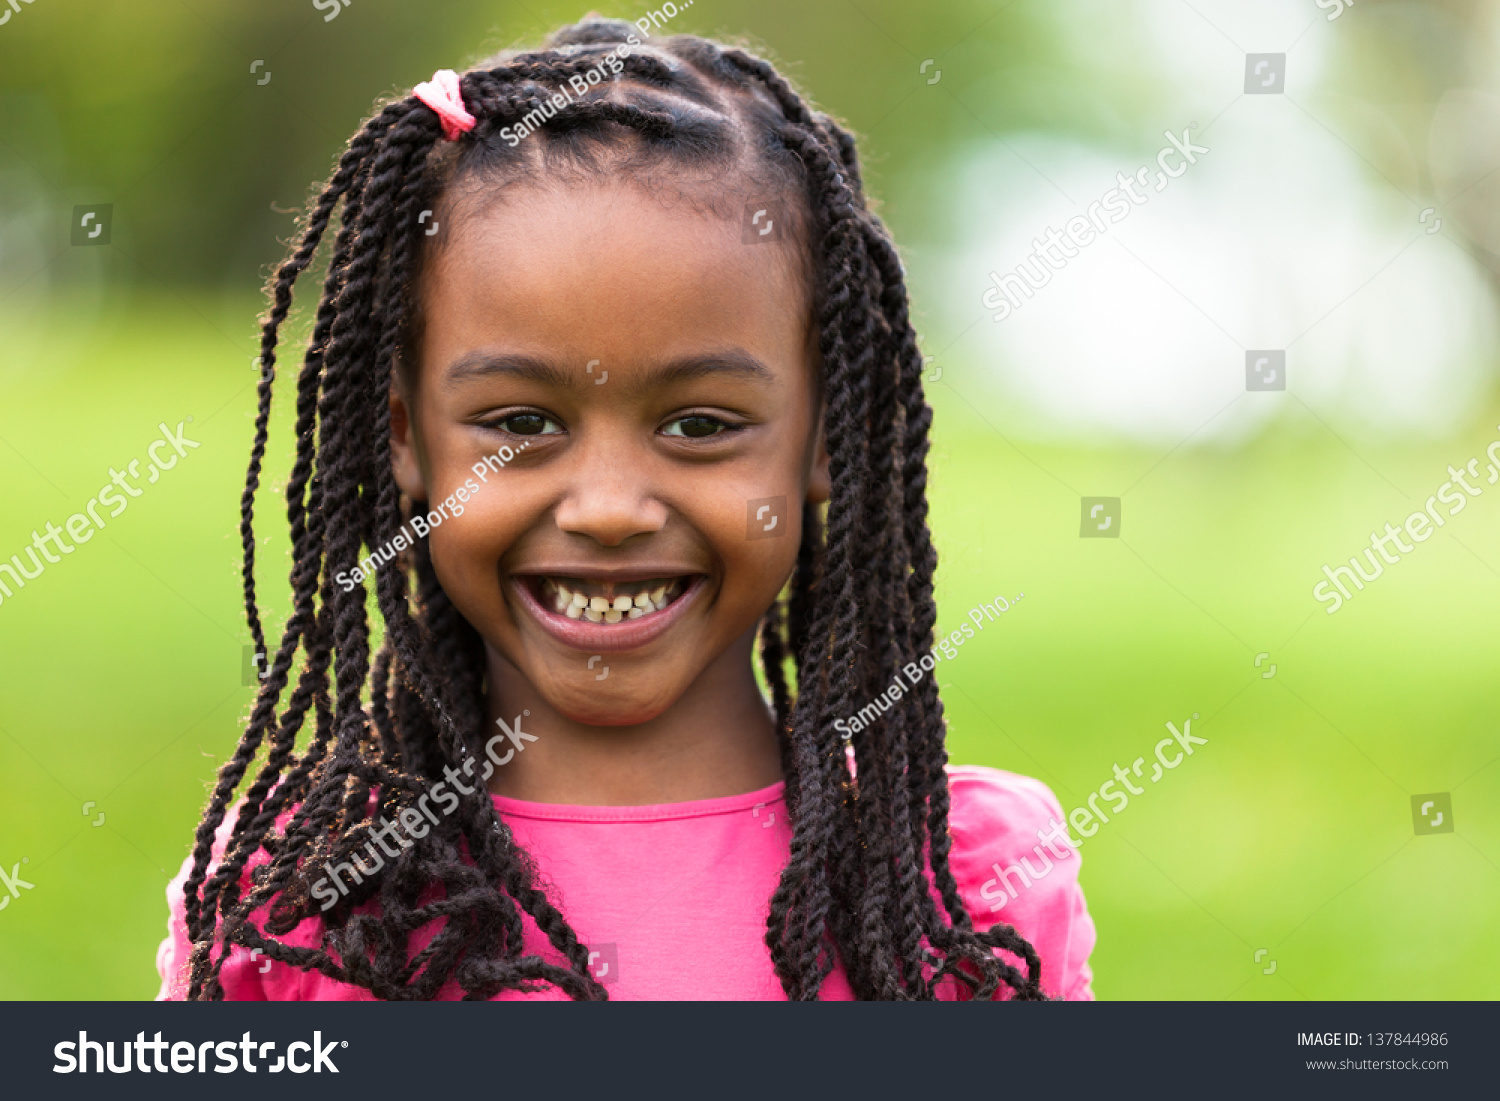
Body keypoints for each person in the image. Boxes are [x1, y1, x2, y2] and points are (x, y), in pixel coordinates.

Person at [156, 15, 1094, 1001]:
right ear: (406, 436)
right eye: (521, 421)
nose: (607, 508)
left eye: (699, 425)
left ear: (825, 437)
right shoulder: (301, 897)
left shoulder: (962, 885)